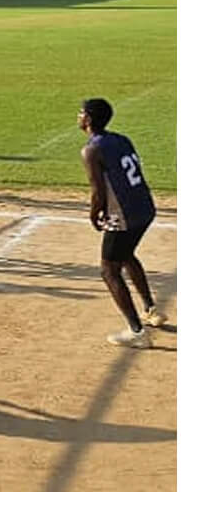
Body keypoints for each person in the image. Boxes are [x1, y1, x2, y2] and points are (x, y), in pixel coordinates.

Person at [78, 98, 169, 348]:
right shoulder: (121, 139)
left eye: (81, 113)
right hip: (145, 207)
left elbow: (98, 191)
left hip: (124, 215)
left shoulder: (91, 150)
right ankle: (150, 309)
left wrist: (94, 214)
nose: (79, 117)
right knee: (126, 254)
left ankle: (137, 332)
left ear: (89, 119)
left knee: (109, 269)